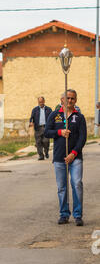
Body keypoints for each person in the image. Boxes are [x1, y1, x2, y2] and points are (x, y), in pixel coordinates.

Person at [44, 89, 87, 226]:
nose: (69, 101)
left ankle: (78, 215)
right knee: (62, 187)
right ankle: (64, 214)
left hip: (75, 157)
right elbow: (47, 132)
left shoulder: (79, 117)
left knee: (77, 184)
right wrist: (60, 132)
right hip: (59, 157)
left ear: (76, 100)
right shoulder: (54, 115)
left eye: (72, 99)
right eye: (67, 98)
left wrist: (73, 153)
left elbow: (82, 138)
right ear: (62, 99)